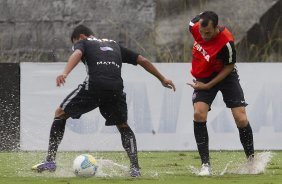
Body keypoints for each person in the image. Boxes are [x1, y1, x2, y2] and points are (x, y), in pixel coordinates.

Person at [32, 25, 176, 177]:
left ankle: (50, 161)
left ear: (81, 37)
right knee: (123, 125)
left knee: (60, 113)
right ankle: (135, 168)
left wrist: (65, 72)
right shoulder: (114, 44)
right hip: (116, 88)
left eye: (74, 43)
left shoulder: (84, 43)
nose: (75, 46)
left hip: (95, 86)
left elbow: (78, 53)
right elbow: (142, 59)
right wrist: (162, 78)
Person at [187, 11, 254, 176]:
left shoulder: (227, 42)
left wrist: (208, 86)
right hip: (203, 76)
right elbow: (195, 21)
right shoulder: (195, 27)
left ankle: (251, 161)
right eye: (201, 32)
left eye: (208, 33)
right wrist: (205, 83)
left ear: (216, 27)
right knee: (198, 114)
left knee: (241, 118)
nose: (204, 36)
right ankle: (205, 166)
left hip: (225, 76)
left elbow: (229, 67)